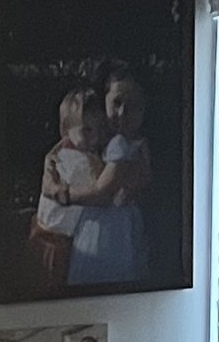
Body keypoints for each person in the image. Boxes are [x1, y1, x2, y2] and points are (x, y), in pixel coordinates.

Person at [71, 65, 153, 287]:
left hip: (110, 228)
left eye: (133, 107)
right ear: (105, 101)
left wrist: (67, 195)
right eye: (116, 103)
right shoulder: (112, 144)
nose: (122, 114)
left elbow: (102, 191)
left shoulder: (121, 146)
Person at [32, 86, 105, 296]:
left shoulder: (61, 154)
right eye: (88, 131)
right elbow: (101, 189)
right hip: (56, 239)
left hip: (45, 229)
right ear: (67, 131)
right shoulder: (79, 162)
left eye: (99, 130)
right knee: (53, 285)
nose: (95, 138)